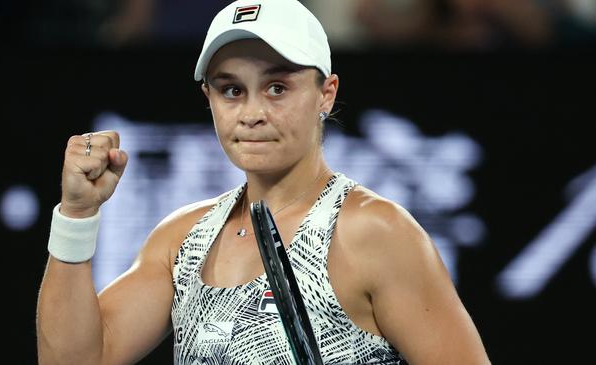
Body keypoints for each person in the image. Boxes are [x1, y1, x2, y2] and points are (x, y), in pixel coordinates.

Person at [36, 0, 491, 364]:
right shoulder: (183, 239)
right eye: (231, 90)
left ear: (325, 94)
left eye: (277, 88)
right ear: (208, 99)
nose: (252, 113)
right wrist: (77, 216)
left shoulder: (377, 233)